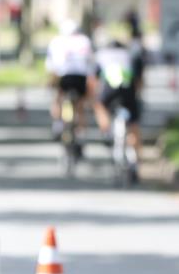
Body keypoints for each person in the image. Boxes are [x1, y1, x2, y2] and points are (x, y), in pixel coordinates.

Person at [93, 36, 143, 184]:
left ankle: (107, 131)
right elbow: (139, 80)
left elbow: (95, 79)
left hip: (109, 89)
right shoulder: (130, 55)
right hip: (128, 90)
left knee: (99, 106)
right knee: (134, 125)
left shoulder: (101, 54)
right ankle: (136, 163)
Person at [46, 19, 95, 148]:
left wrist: (50, 83)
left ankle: (57, 124)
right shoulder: (84, 40)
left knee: (58, 98)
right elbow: (91, 63)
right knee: (80, 105)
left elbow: (52, 66)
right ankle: (82, 133)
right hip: (80, 77)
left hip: (63, 77)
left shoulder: (56, 41)